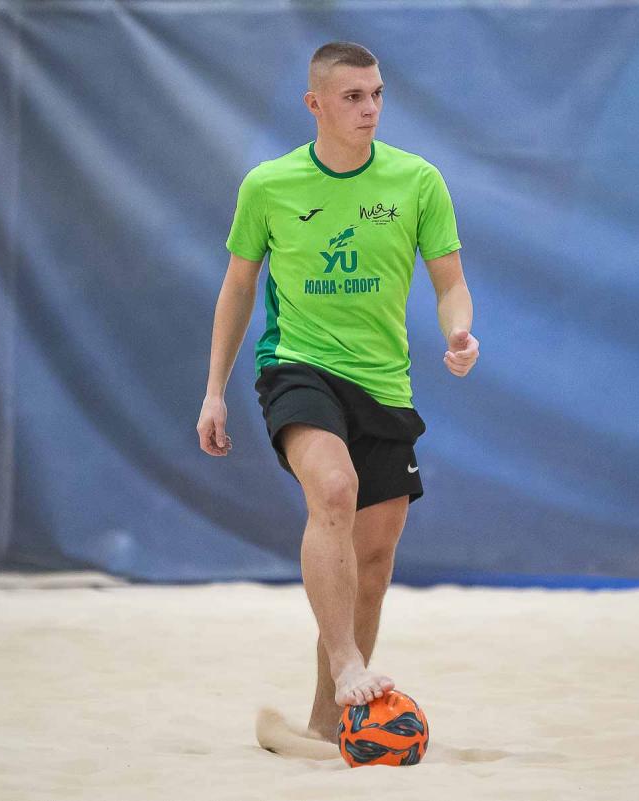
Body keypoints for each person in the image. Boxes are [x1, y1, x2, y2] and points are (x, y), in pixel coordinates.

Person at [195, 41, 479, 741]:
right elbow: (238, 287)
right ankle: (349, 661)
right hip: (297, 367)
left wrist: (459, 332)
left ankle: (325, 729)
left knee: (373, 562)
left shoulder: (418, 181)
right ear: (314, 104)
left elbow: (450, 282)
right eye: (353, 96)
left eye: (377, 94)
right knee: (333, 488)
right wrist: (213, 391)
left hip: (383, 383)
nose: (370, 108)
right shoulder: (269, 185)